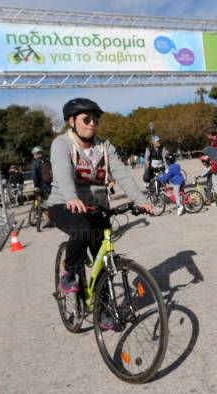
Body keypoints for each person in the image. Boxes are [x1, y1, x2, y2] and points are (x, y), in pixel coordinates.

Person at [48, 98, 153, 329]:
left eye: (96, 119)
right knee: (82, 230)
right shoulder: (62, 144)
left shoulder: (105, 146)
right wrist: (71, 196)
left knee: (103, 260)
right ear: (72, 121)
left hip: (96, 206)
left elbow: (122, 174)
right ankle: (70, 275)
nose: (92, 123)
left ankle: (104, 311)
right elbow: (63, 172)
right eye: (86, 119)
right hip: (64, 204)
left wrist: (141, 200)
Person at [31, 146, 53, 227]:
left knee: (43, 204)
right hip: (50, 184)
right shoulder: (47, 160)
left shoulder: (35, 162)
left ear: (34, 154)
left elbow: (34, 176)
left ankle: (48, 221)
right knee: (50, 202)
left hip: (41, 185)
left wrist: (36, 186)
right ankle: (53, 219)